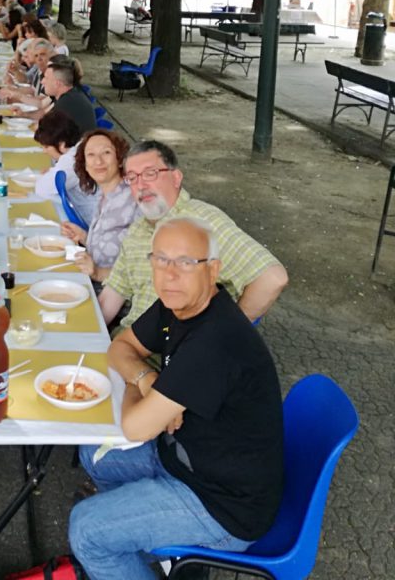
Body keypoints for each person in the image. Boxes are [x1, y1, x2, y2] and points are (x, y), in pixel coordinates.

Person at [69, 217, 284, 580]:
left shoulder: (214, 341)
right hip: (185, 456)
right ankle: (146, 544)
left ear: (212, 270)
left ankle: (138, 545)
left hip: (223, 505)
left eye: (185, 262)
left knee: (87, 531)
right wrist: (146, 378)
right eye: (161, 260)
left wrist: (137, 389)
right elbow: (120, 346)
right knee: (95, 455)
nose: (169, 274)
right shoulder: (177, 305)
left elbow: (135, 427)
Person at [98, 140, 289, 329]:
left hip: (175, 345)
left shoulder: (202, 222)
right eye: (132, 178)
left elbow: (271, 278)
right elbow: (114, 292)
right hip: (130, 338)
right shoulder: (138, 229)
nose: (140, 185)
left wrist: (222, 335)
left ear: (176, 178)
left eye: (150, 173)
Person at [63, 129, 141, 284]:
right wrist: (84, 237)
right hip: (94, 283)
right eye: (91, 155)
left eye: (106, 153)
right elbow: (112, 244)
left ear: (120, 160)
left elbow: (145, 270)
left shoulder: (135, 201)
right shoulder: (104, 195)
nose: (98, 161)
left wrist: (98, 273)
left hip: (115, 293)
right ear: (85, 165)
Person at [33, 110, 99, 226]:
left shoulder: (72, 160)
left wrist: (53, 172)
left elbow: (42, 189)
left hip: (92, 224)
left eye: (47, 147)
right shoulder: (81, 146)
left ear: (62, 145)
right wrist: (53, 170)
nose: (44, 151)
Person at [41, 56, 97, 135]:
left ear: (57, 83)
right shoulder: (71, 96)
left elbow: (45, 131)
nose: (42, 81)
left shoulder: (68, 103)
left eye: (46, 78)